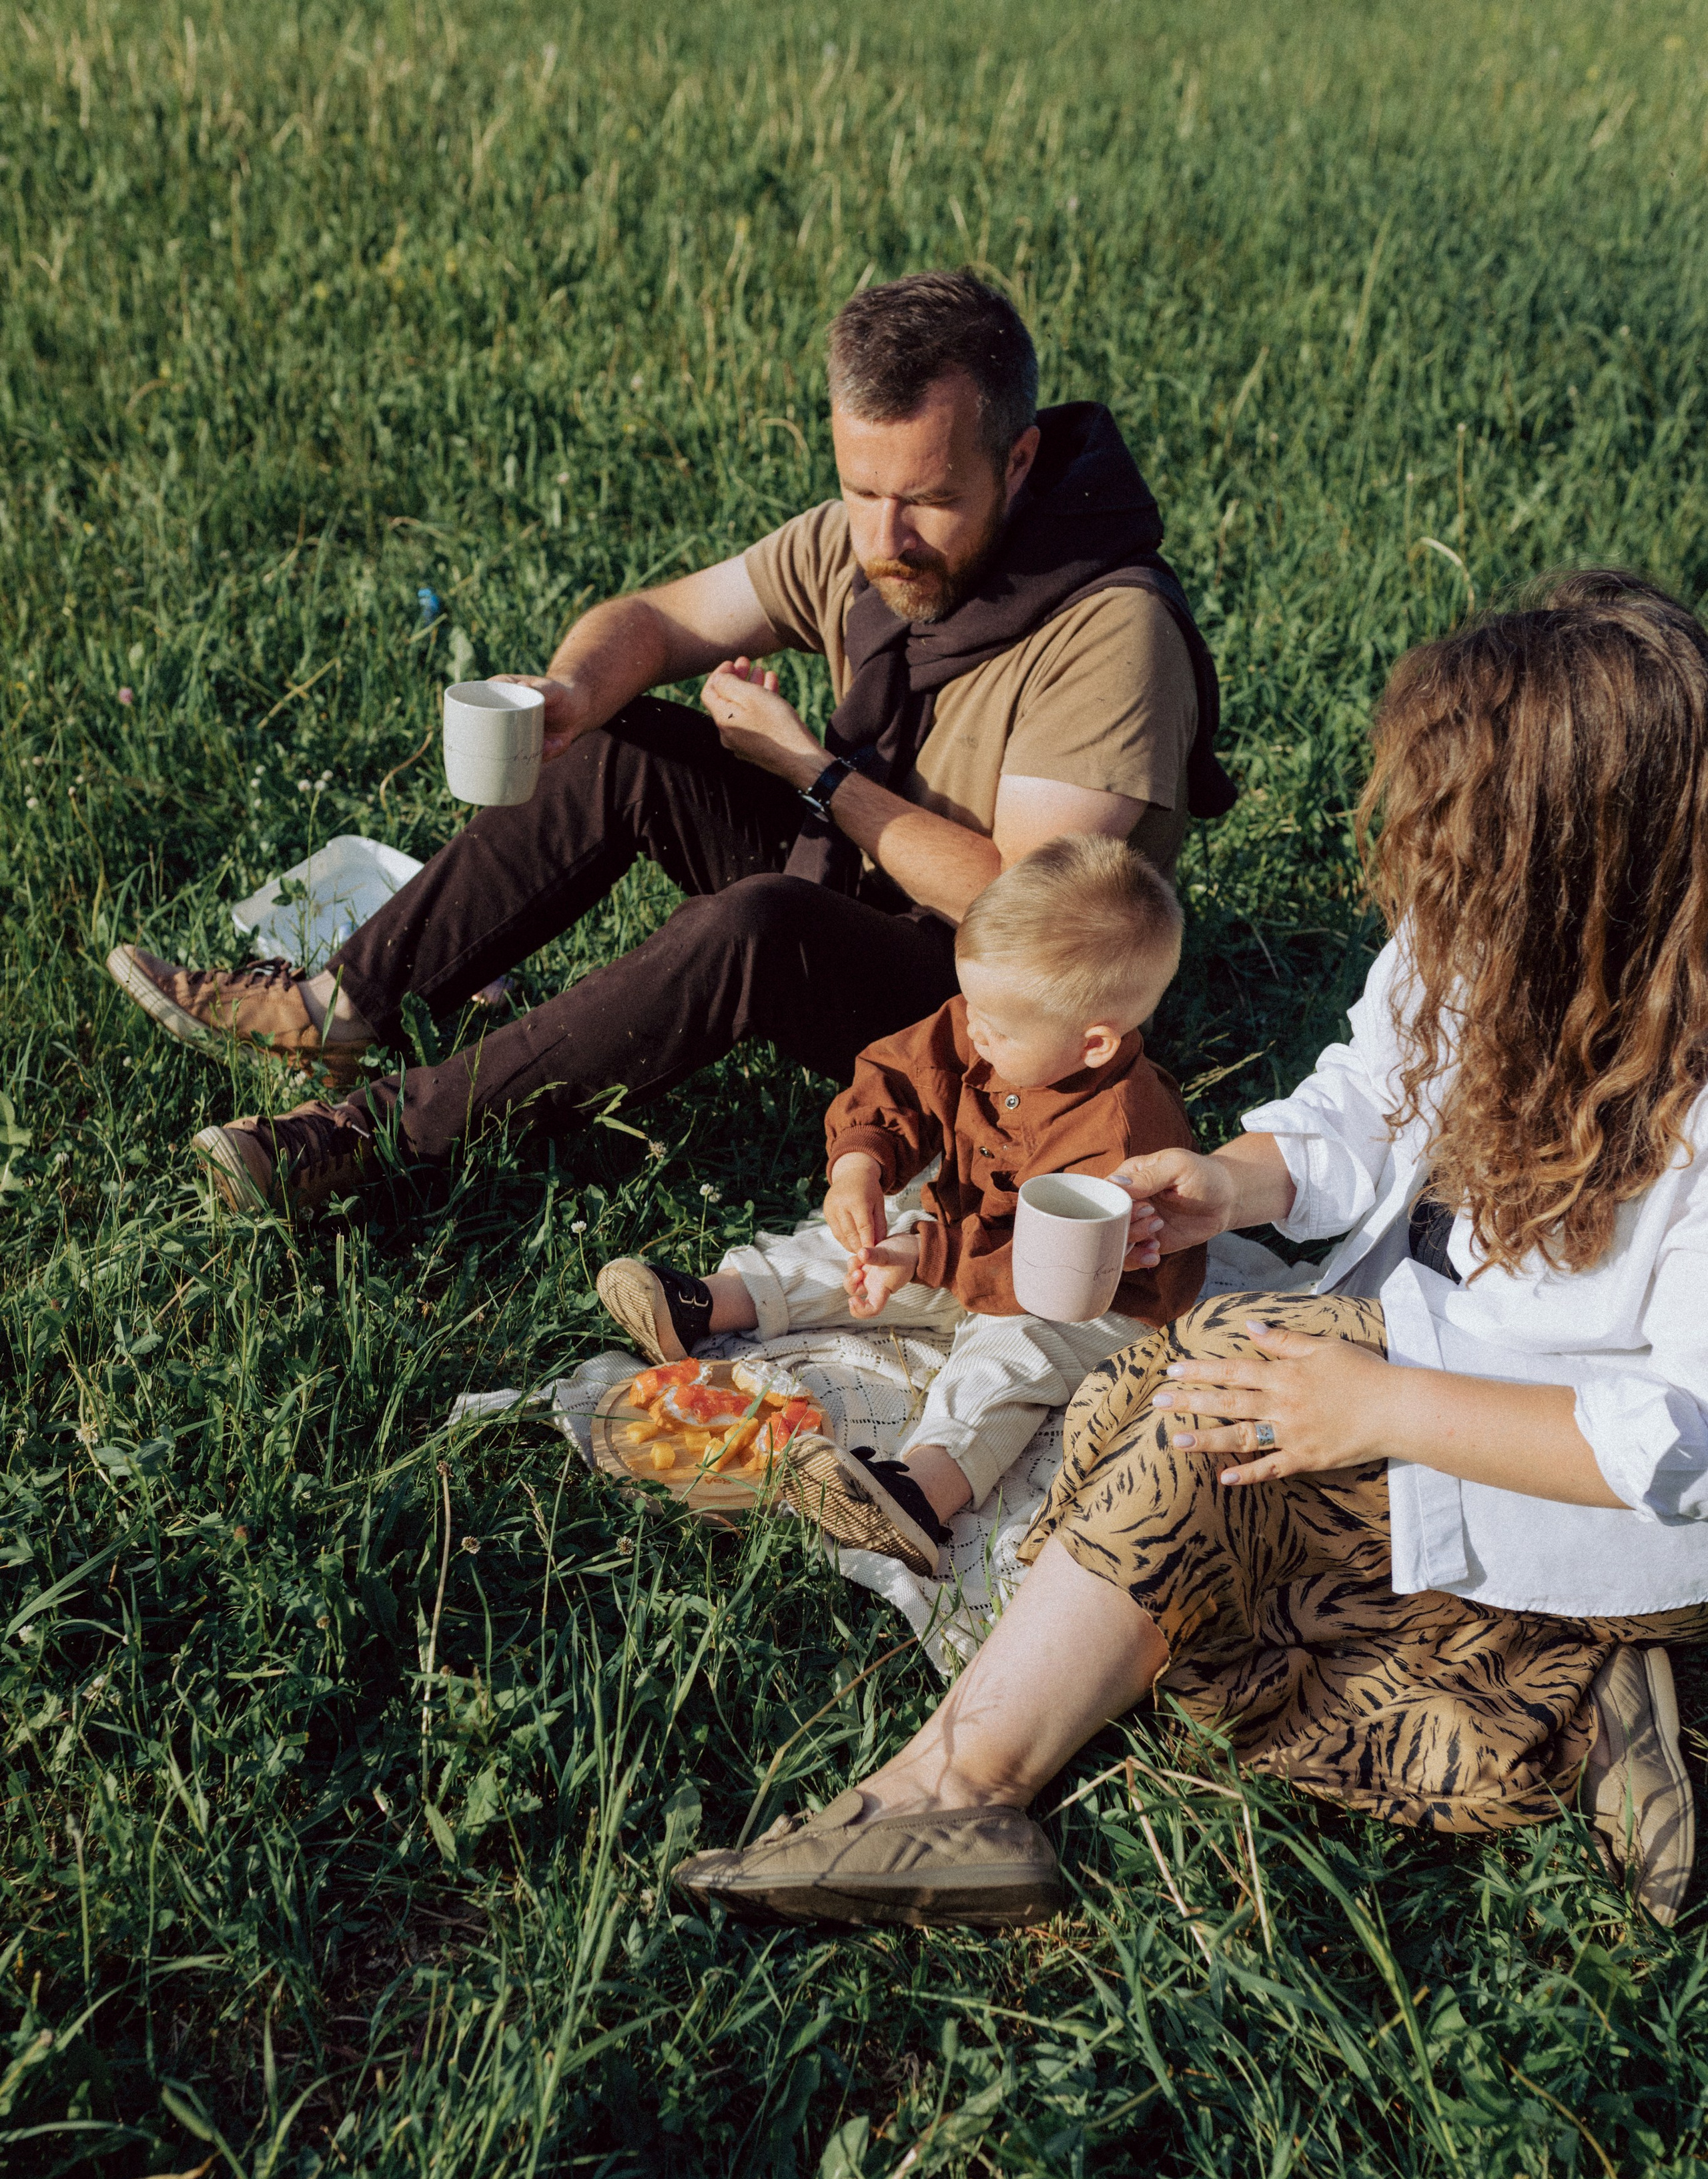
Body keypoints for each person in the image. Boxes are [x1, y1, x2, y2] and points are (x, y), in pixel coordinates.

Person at [676, 572, 1708, 1933]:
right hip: (1426, 1339)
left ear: (1587, 865)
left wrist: (1378, 1404)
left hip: (1584, 1466)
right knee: (1125, 1417)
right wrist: (1220, 1184)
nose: (1422, 873)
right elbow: (1359, 1094)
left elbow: (1682, 1436)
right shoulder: (1480, 937)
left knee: (1205, 1408)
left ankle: (951, 1786)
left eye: (1462, 841)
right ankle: (1591, 1702)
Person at [103, 269, 1234, 1214]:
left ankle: (378, 1138)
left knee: (761, 923)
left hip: (995, 1018)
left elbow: (1019, 918)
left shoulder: (1111, 630)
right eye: (860, 490)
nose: (886, 540)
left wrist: (814, 773)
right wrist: (565, 692)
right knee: (621, 745)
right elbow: (657, 620)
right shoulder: (870, 539)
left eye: (927, 501)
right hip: (867, 895)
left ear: (1021, 462)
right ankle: (333, 1011)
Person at [595, 836, 1207, 1574]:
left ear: (1096, 1043)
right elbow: (904, 1077)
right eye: (971, 1004)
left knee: (1004, 1361)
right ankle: (705, 1305)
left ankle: (918, 1494)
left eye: (997, 1025)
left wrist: (926, 1258)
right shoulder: (986, 1026)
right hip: (964, 1237)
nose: (973, 1028)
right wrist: (860, 1160)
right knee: (851, 1241)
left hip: (1088, 1301)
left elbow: (1047, 1271)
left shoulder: (1122, 1131)